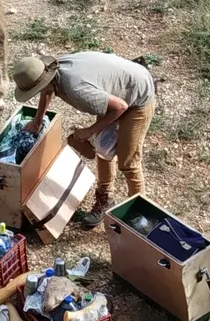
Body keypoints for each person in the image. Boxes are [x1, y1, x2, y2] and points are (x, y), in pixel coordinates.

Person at [10, 51, 156, 226]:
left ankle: (140, 217)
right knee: (103, 150)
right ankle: (105, 198)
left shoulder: (78, 90)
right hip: (118, 94)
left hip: (138, 97)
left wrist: (90, 131)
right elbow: (47, 91)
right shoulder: (52, 71)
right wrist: (37, 120)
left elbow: (120, 107)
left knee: (128, 163)